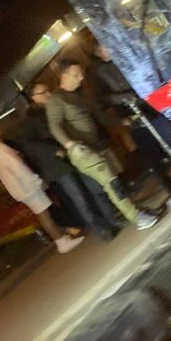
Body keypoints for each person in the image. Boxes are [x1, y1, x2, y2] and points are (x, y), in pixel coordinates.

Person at [45, 60, 158, 230]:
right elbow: (54, 125)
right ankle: (137, 217)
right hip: (82, 151)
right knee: (112, 183)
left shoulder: (80, 95)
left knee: (117, 181)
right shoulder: (56, 99)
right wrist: (70, 145)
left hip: (97, 146)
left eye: (81, 73)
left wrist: (122, 121)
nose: (81, 77)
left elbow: (101, 117)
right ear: (64, 75)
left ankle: (138, 210)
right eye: (76, 74)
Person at [87, 44, 171, 187]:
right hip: (131, 114)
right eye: (104, 48)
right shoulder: (98, 72)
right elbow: (103, 98)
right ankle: (168, 183)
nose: (109, 49)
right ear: (98, 52)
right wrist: (124, 100)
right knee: (150, 152)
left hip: (150, 106)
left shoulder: (124, 58)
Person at [20, 82, 117, 241]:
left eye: (48, 90)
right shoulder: (30, 119)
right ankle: (102, 230)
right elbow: (29, 144)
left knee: (95, 187)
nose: (48, 94)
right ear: (33, 98)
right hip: (58, 164)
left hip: (75, 154)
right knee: (80, 198)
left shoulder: (54, 106)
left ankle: (112, 219)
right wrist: (54, 150)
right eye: (43, 92)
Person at [0, 125, 85, 254]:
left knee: (44, 213)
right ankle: (62, 242)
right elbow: (18, 168)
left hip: (21, 188)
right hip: (26, 186)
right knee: (44, 214)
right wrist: (35, 181)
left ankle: (62, 238)